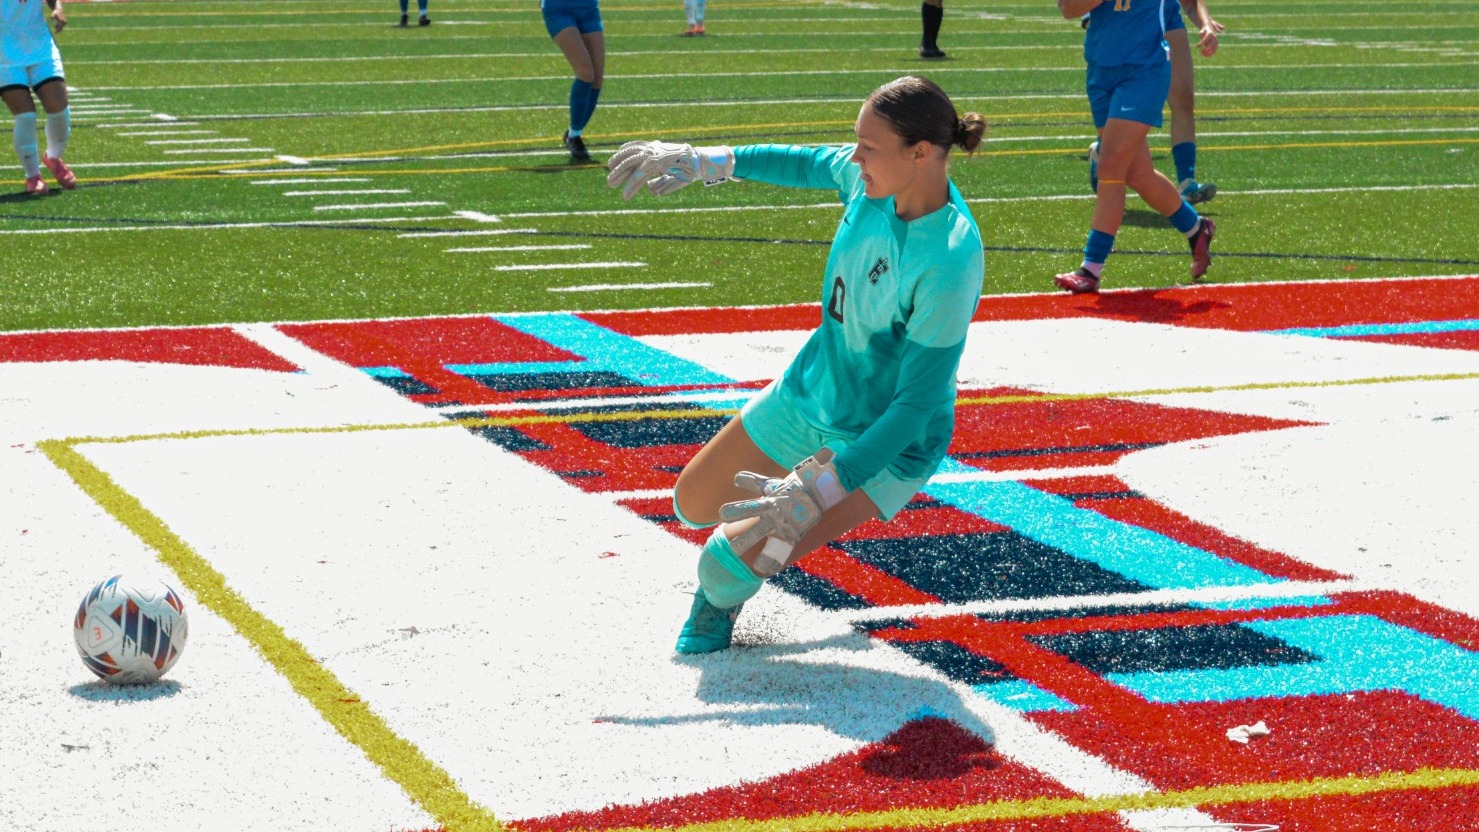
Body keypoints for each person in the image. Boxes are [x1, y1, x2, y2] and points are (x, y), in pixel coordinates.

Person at [606, 76, 987, 654]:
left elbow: (913, 408)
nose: (854, 158)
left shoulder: (950, 257)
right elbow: (806, 161)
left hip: (881, 442)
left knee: (721, 568)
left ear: (922, 153)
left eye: (868, 147)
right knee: (692, 501)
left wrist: (821, 489)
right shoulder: (871, 182)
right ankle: (754, 549)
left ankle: (722, 599)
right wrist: (703, 160)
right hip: (810, 394)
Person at [1056, 0, 1216, 294]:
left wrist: (1204, 21)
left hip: (1144, 70)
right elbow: (1067, 8)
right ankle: (1196, 228)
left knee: (1111, 166)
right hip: (1100, 68)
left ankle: (1091, 268)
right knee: (1137, 174)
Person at [1087, 0, 1222, 203]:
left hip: (1166, 17)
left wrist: (1205, 24)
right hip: (1132, 22)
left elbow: (1191, 2)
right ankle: (1104, 148)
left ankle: (1187, 183)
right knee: (1130, 111)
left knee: (1184, 97)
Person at [2, 0, 75, 196]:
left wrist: (57, 8)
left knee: (60, 111)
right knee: (26, 116)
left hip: (40, 47)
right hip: (4, 54)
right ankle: (33, 176)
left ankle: (53, 157)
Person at [542, 0, 605, 163]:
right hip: (558, 8)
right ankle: (575, 136)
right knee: (585, 71)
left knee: (597, 79)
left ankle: (573, 132)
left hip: (589, 8)